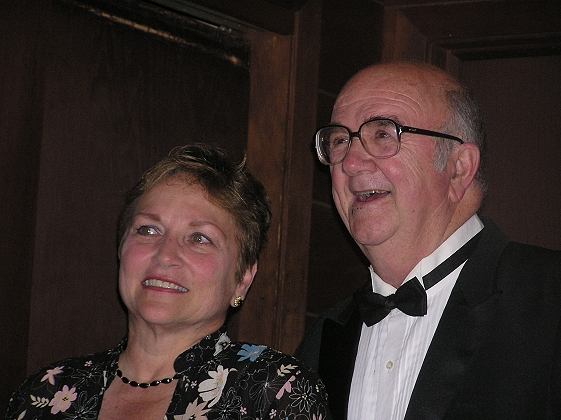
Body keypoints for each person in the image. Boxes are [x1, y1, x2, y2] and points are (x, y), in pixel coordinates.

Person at [295, 60, 561, 419]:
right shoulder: (322, 341)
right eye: (340, 140)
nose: (350, 163)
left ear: (459, 168)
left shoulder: (549, 299)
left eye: (383, 134)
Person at [6, 143, 332, 420]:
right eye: (148, 230)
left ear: (242, 279)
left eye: (199, 238)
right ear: (121, 248)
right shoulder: (46, 393)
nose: (164, 255)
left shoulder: (274, 392)